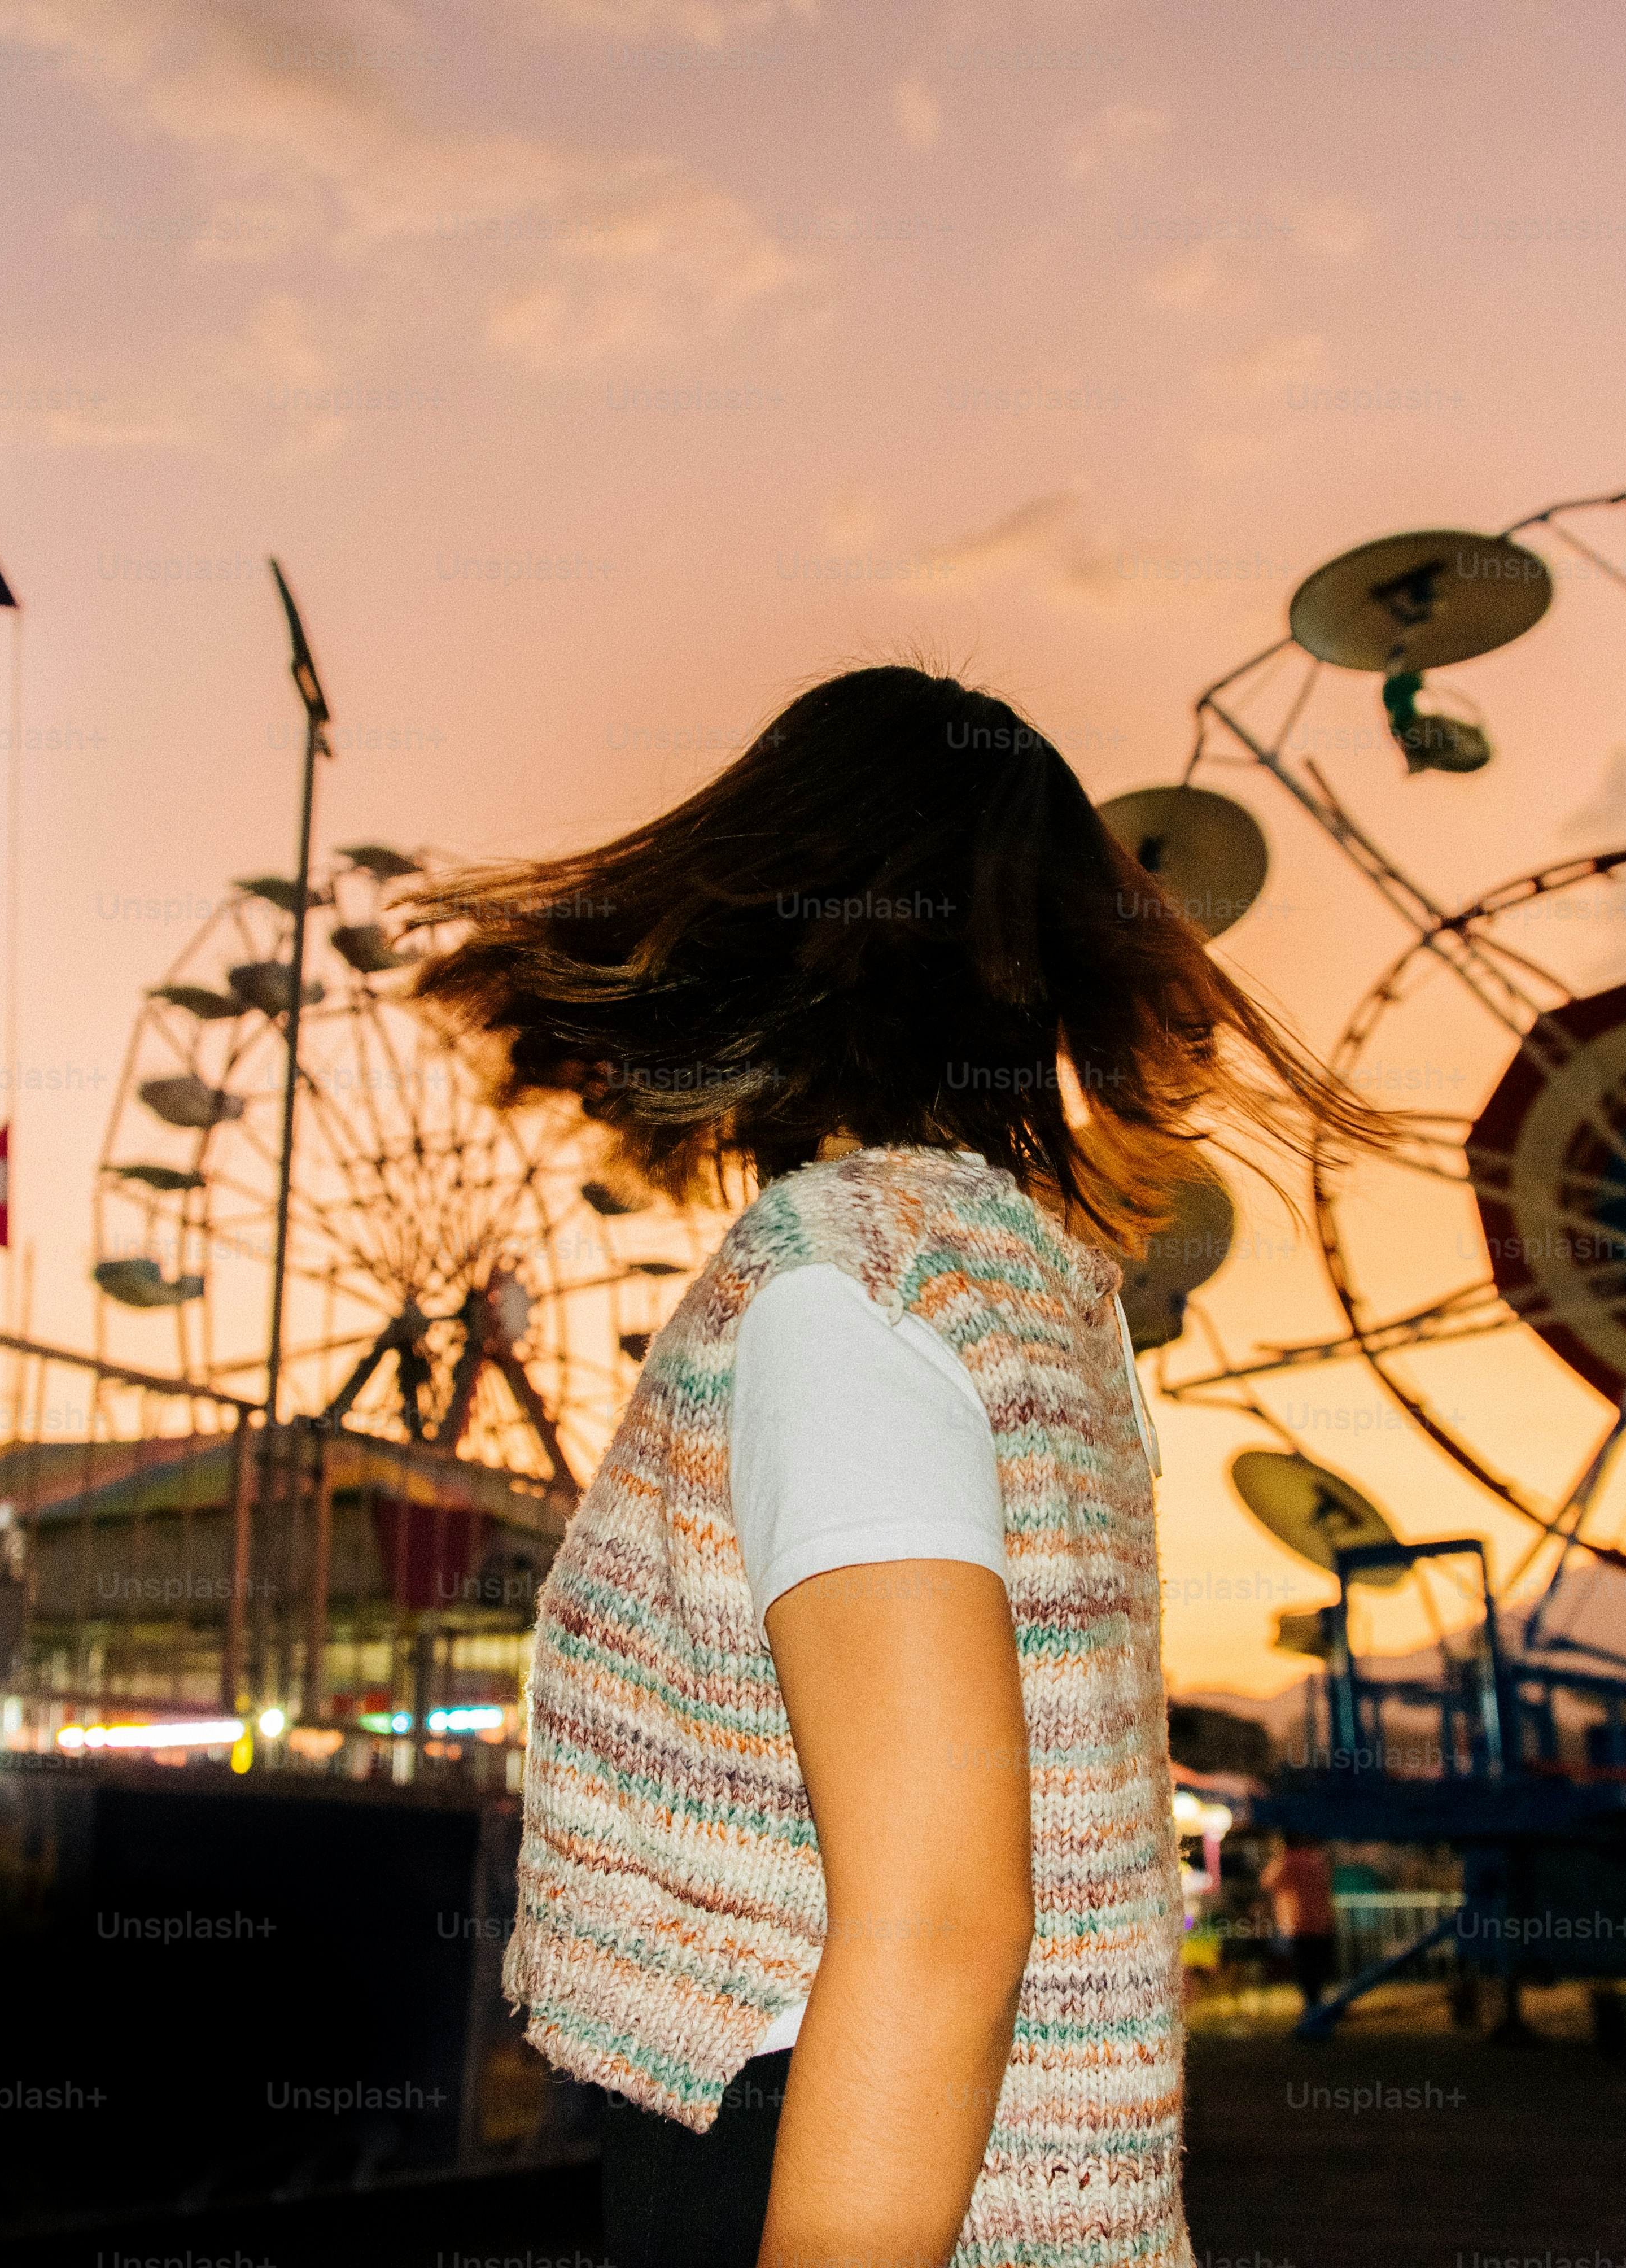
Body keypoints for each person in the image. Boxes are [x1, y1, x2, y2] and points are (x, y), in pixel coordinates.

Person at [407, 665, 1402, 2268]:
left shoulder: (848, 1288)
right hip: (984, 2166)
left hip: (830, 2148)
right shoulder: (1032, 1298)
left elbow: (941, 1924)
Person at [1260, 1830, 1339, 2012]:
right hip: (1323, 1920)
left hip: (1299, 1923)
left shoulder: (1286, 1861)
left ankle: (1312, 2007)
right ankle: (1317, 2003)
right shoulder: (1318, 1859)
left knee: (1305, 1968)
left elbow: (1267, 1882)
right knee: (1319, 1967)